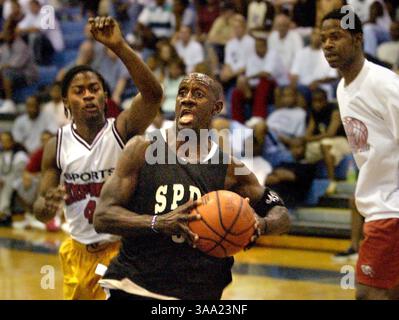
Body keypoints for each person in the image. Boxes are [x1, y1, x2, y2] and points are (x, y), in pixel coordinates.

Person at [94, 73, 291, 300]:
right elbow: (103, 216)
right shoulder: (141, 149)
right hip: (135, 286)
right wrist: (158, 222)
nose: (187, 99)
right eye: (182, 93)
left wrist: (262, 225)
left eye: (198, 94)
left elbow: (280, 213)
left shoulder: (228, 167)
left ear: (216, 108)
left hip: (199, 292)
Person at [32, 16, 163, 300]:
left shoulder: (122, 129)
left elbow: (153, 96)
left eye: (94, 89)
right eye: (79, 91)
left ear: (105, 96)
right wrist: (46, 205)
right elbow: (41, 210)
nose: (88, 95)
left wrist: (119, 47)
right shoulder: (56, 145)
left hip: (121, 251)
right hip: (78, 252)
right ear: (66, 101)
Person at [321, 8, 399, 300]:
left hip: (391, 210)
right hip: (379, 208)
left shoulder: (383, 84)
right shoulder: (342, 88)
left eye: (336, 37)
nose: (328, 44)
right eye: (323, 38)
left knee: (368, 294)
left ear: (357, 39)